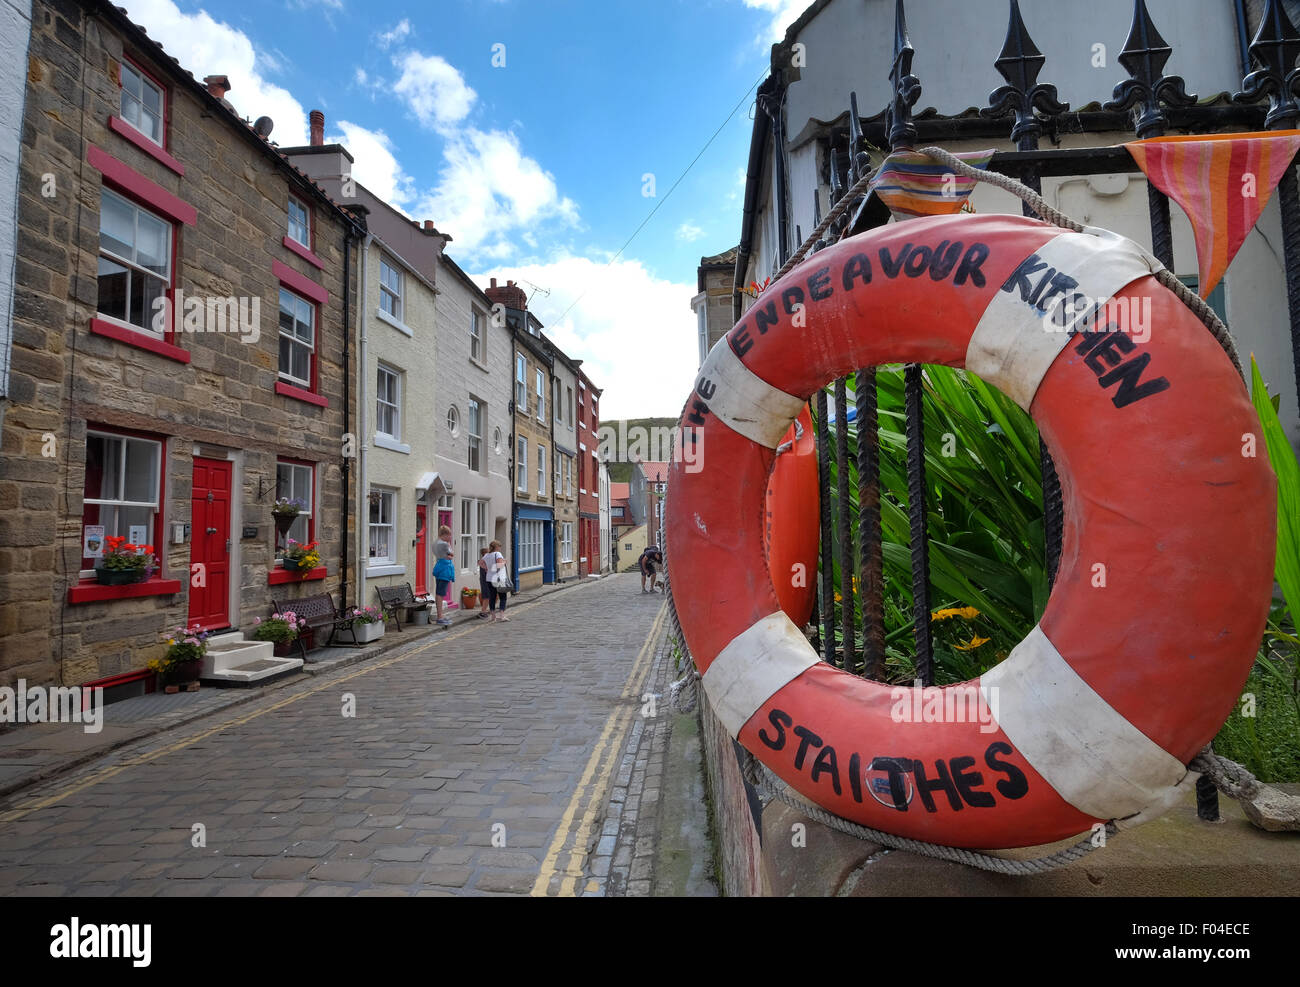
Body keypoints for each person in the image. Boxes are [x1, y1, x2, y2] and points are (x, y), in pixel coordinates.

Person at [432, 525, 456, 626]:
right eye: (449, 535)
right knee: (440, 594)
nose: (450, 537)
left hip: (441, 569)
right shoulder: (443, 544)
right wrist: (449, 552)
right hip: (444, 571)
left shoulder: (438, 543)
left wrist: (449, 554)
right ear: (444, 535)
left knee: (440, 593)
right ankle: (440, 617)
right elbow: (450, 556)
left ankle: (440, 616)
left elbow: (449, 555)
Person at [483, 540, 511, 621]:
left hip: (489, 578)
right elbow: (499, 566)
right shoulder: (497, 554)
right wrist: (504, 561)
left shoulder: (487, 555)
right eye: (499, 547)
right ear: (497, 547)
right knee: (503, 597)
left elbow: (480, 563)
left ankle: (493, 616)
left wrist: (486, 568)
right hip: (498, 578)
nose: (500, 548)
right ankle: (502, 615)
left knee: (492, 597)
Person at [477, 545, 493, 619]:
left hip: (485, 581)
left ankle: (485, 610)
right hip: (485, 582)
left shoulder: (484, 561)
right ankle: (483, 612)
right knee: (486, 597)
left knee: (487, 596)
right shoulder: (484, 562)